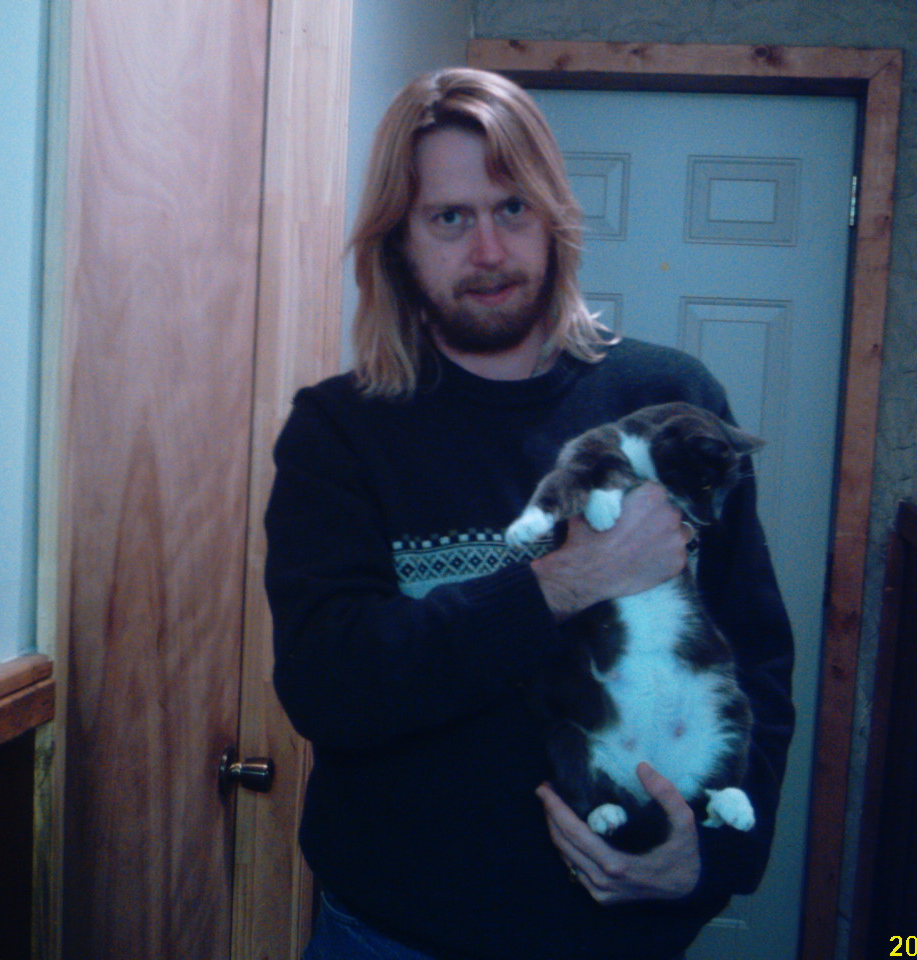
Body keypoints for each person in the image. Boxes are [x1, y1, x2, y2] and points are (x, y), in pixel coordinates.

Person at [264, 67, 795, 960]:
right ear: (399, 242)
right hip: (393, 936)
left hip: (622, 937)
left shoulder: (670, 400)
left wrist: (710, 860)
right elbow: (329, 685)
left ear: (554, 218)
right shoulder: (340, 432)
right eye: (449, 218)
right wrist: (568, 580)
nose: (488, 250)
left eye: (512, 209)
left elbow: (757, 659)